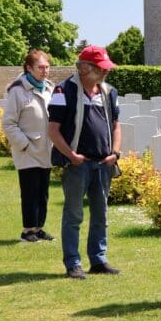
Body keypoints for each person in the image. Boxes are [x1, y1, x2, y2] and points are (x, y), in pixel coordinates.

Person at [47, 45, 122, 279]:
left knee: (101, 215)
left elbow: (116, 126)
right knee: (74, 215)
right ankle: (73, 263)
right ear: (83, 68)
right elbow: (53, 130)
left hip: (103, 163)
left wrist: (115, 153)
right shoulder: (63, 90)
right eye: (100, 68)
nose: (105, 72)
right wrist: (71, 155)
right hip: (77, 164)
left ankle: (98, 260)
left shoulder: (109, 92)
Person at [1, 49, 55, 242]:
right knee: (30, 192)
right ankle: (27, 230)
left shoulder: (50, 89)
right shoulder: (17, 90)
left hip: (46, 149)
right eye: (40, 67)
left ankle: (39, 227)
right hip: (28, 150)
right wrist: (24, 144)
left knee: (43, 192)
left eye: (47, 67)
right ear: (29, 68)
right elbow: (8, 123)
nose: (45, 71)